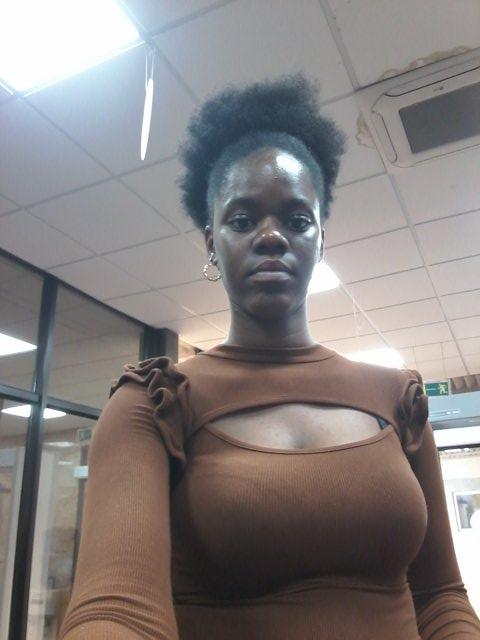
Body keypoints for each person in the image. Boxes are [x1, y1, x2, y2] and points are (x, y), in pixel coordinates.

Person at [58, 75, 480, 639]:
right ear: (211, 243)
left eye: (297, 220)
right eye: (242, 219)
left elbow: (441, 598)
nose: (271, 236)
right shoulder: (154, 404)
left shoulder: (399, 401)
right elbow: (116, 614)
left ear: (320, 240)